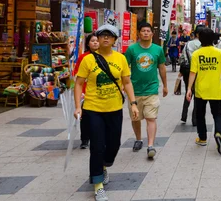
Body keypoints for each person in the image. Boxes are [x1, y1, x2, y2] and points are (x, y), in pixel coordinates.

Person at [74, 25, 139, 201]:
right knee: (96, 146)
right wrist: (78, 106)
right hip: (93, 109)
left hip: (114, 108)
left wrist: (133, 103)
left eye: (109, 36)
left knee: (113, 145)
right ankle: (98, 184)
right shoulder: (88, 60)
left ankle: (104, 166)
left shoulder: (120, 59)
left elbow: (126, 82)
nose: (105, 39)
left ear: (114, 40)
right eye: (102, 35)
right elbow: (79, 83)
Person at [124, 22, 168, 160]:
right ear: (138, 33)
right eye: (143, 31)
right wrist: (122, 86)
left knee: (151, 118)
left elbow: (161, 67)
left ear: (152, 34)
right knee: (136, 118)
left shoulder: (158, 49)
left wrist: (165, 85)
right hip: (135, 91)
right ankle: (138, 139)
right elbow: (124, 70)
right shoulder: (131, 50)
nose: (146, 33)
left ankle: (150, 146)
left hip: (152, 89)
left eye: (148, 31)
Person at [186, 28, 221, 154]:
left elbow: (192, 73)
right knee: (217, 114)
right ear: (213, 39)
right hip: (215, 89)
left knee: (200, 115)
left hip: (200, 90)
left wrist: (189, 88)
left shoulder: (196, 54)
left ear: (199, 39)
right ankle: (218, 133)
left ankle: (202, 138)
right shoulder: (220, 53)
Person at [72, 33, 99, 150]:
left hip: (99, 90)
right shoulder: (83, 57)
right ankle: (84, 139)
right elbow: (77, 74)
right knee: (85, 116)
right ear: (88, 43)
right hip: (85, 90)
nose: (95, 43)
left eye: (97, 41)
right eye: (93, 41)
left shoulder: (104, 56)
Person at [179, 25, 204, 125]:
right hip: (198, 71)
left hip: (186, 71)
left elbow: (182, 57)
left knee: (188, 92)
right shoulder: (202, 44)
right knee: (197, 95)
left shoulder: (188, 44)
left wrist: (181, 71)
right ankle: (195, 119)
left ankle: (184, 116)